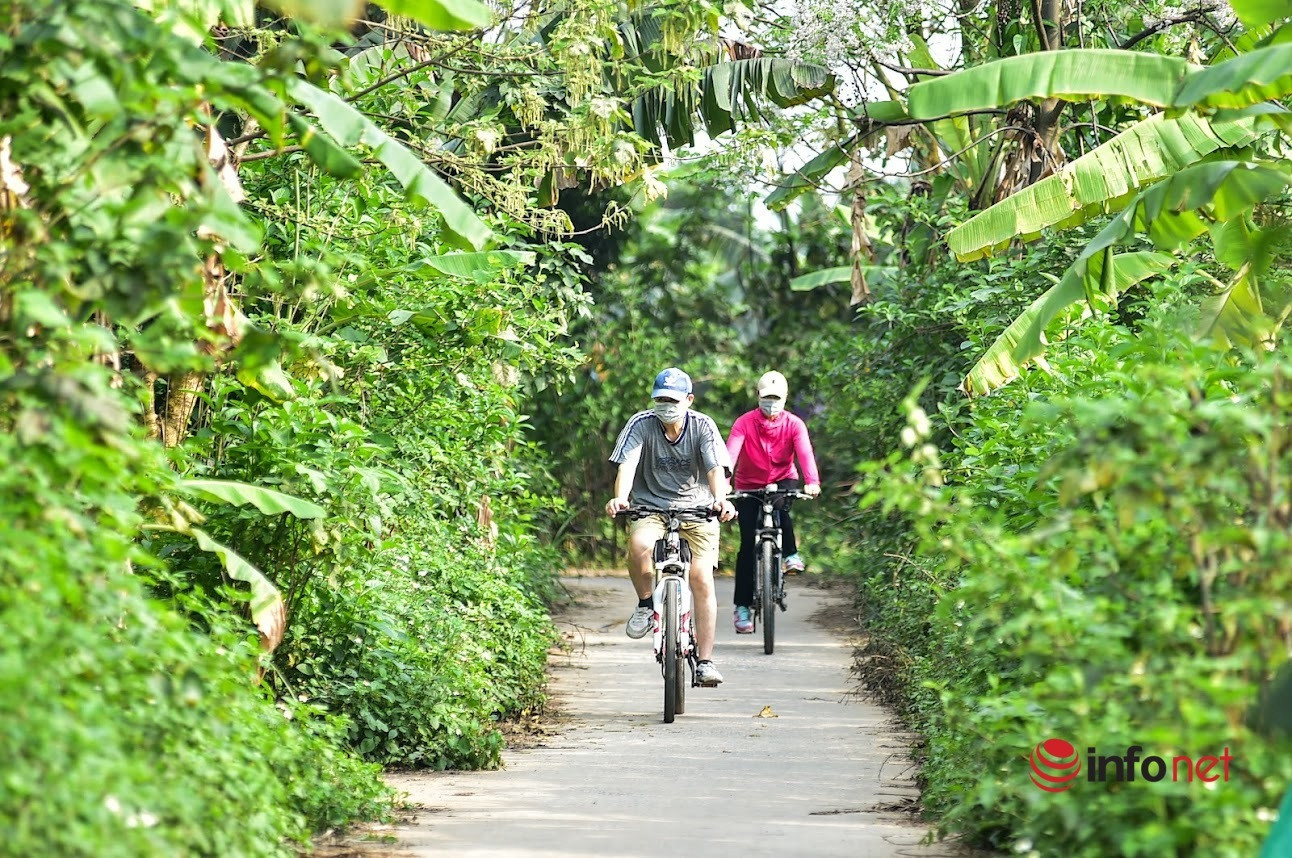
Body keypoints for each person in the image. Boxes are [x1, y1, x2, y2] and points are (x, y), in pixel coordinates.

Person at [605, 367, 736, 686]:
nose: (666, 405)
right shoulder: (640, 424)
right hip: (651, 507)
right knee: (638, 547)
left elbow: (715, 467)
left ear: (689, 400)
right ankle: (647, 604)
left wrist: (721, 499)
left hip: (699, 509)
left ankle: (705, 661)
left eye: (673, 400)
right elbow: (628, 464)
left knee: (701, 578)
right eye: (660, 399)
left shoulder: (703, 426)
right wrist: (620, 498)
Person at [725, 370, 821, 634]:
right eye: (767, 397)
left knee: (782, 511)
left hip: (783, 479)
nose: (771, 403)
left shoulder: (794, 424)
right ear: (758, 396)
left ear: (785, 398)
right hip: (748, 484)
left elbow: (805, 453)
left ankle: (790, 554)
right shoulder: (744, 423)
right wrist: (723, 482)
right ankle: (742, 607)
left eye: (776, 398)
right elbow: (730, 455)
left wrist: (812, 482)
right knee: (746, 546)